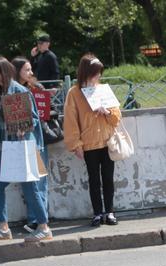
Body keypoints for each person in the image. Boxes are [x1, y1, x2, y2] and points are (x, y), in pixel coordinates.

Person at [0, 56, 50, 241]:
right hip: (5, 149)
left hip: (22, 148)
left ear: (2, 71)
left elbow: (34, 119)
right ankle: (3, 227)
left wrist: (24, 127)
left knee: (31, 188)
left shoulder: (19, 91)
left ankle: (44, 227)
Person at [63, 54, 122, 227]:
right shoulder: (74, 93)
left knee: (108, 178)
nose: (98, 76)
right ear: (86, 72)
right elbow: (70, 120)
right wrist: (76, 145)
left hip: (107, 141)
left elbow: (117, 117)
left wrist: (108, 112)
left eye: (99, 73)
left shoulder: (104, 89)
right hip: (88, 144)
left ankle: (110, 212)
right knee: (94, 179)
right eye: (95, 73)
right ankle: (97, 213)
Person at [12, 56, 54, 235]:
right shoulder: (13, 90)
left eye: (31, 69)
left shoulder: (37, 88)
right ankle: (34, 218)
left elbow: (46, 112)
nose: (30, 73)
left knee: (40, 181)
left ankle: (40, 219)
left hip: (38, 139)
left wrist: (47, 105)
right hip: (21, 141)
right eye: (26, 70)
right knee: (28, 182)